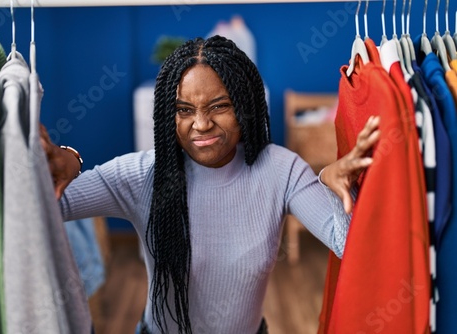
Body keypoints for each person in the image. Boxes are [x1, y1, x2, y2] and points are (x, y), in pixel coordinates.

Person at [40, 35, 380, 334]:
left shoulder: (280, 170)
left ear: (244, 106)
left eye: (219, 106)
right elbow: (42, 206)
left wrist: (337, 187)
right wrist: (63, 157)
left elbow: (355, 246)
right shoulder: (141, 175)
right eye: (184, 110)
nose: (200, 124)